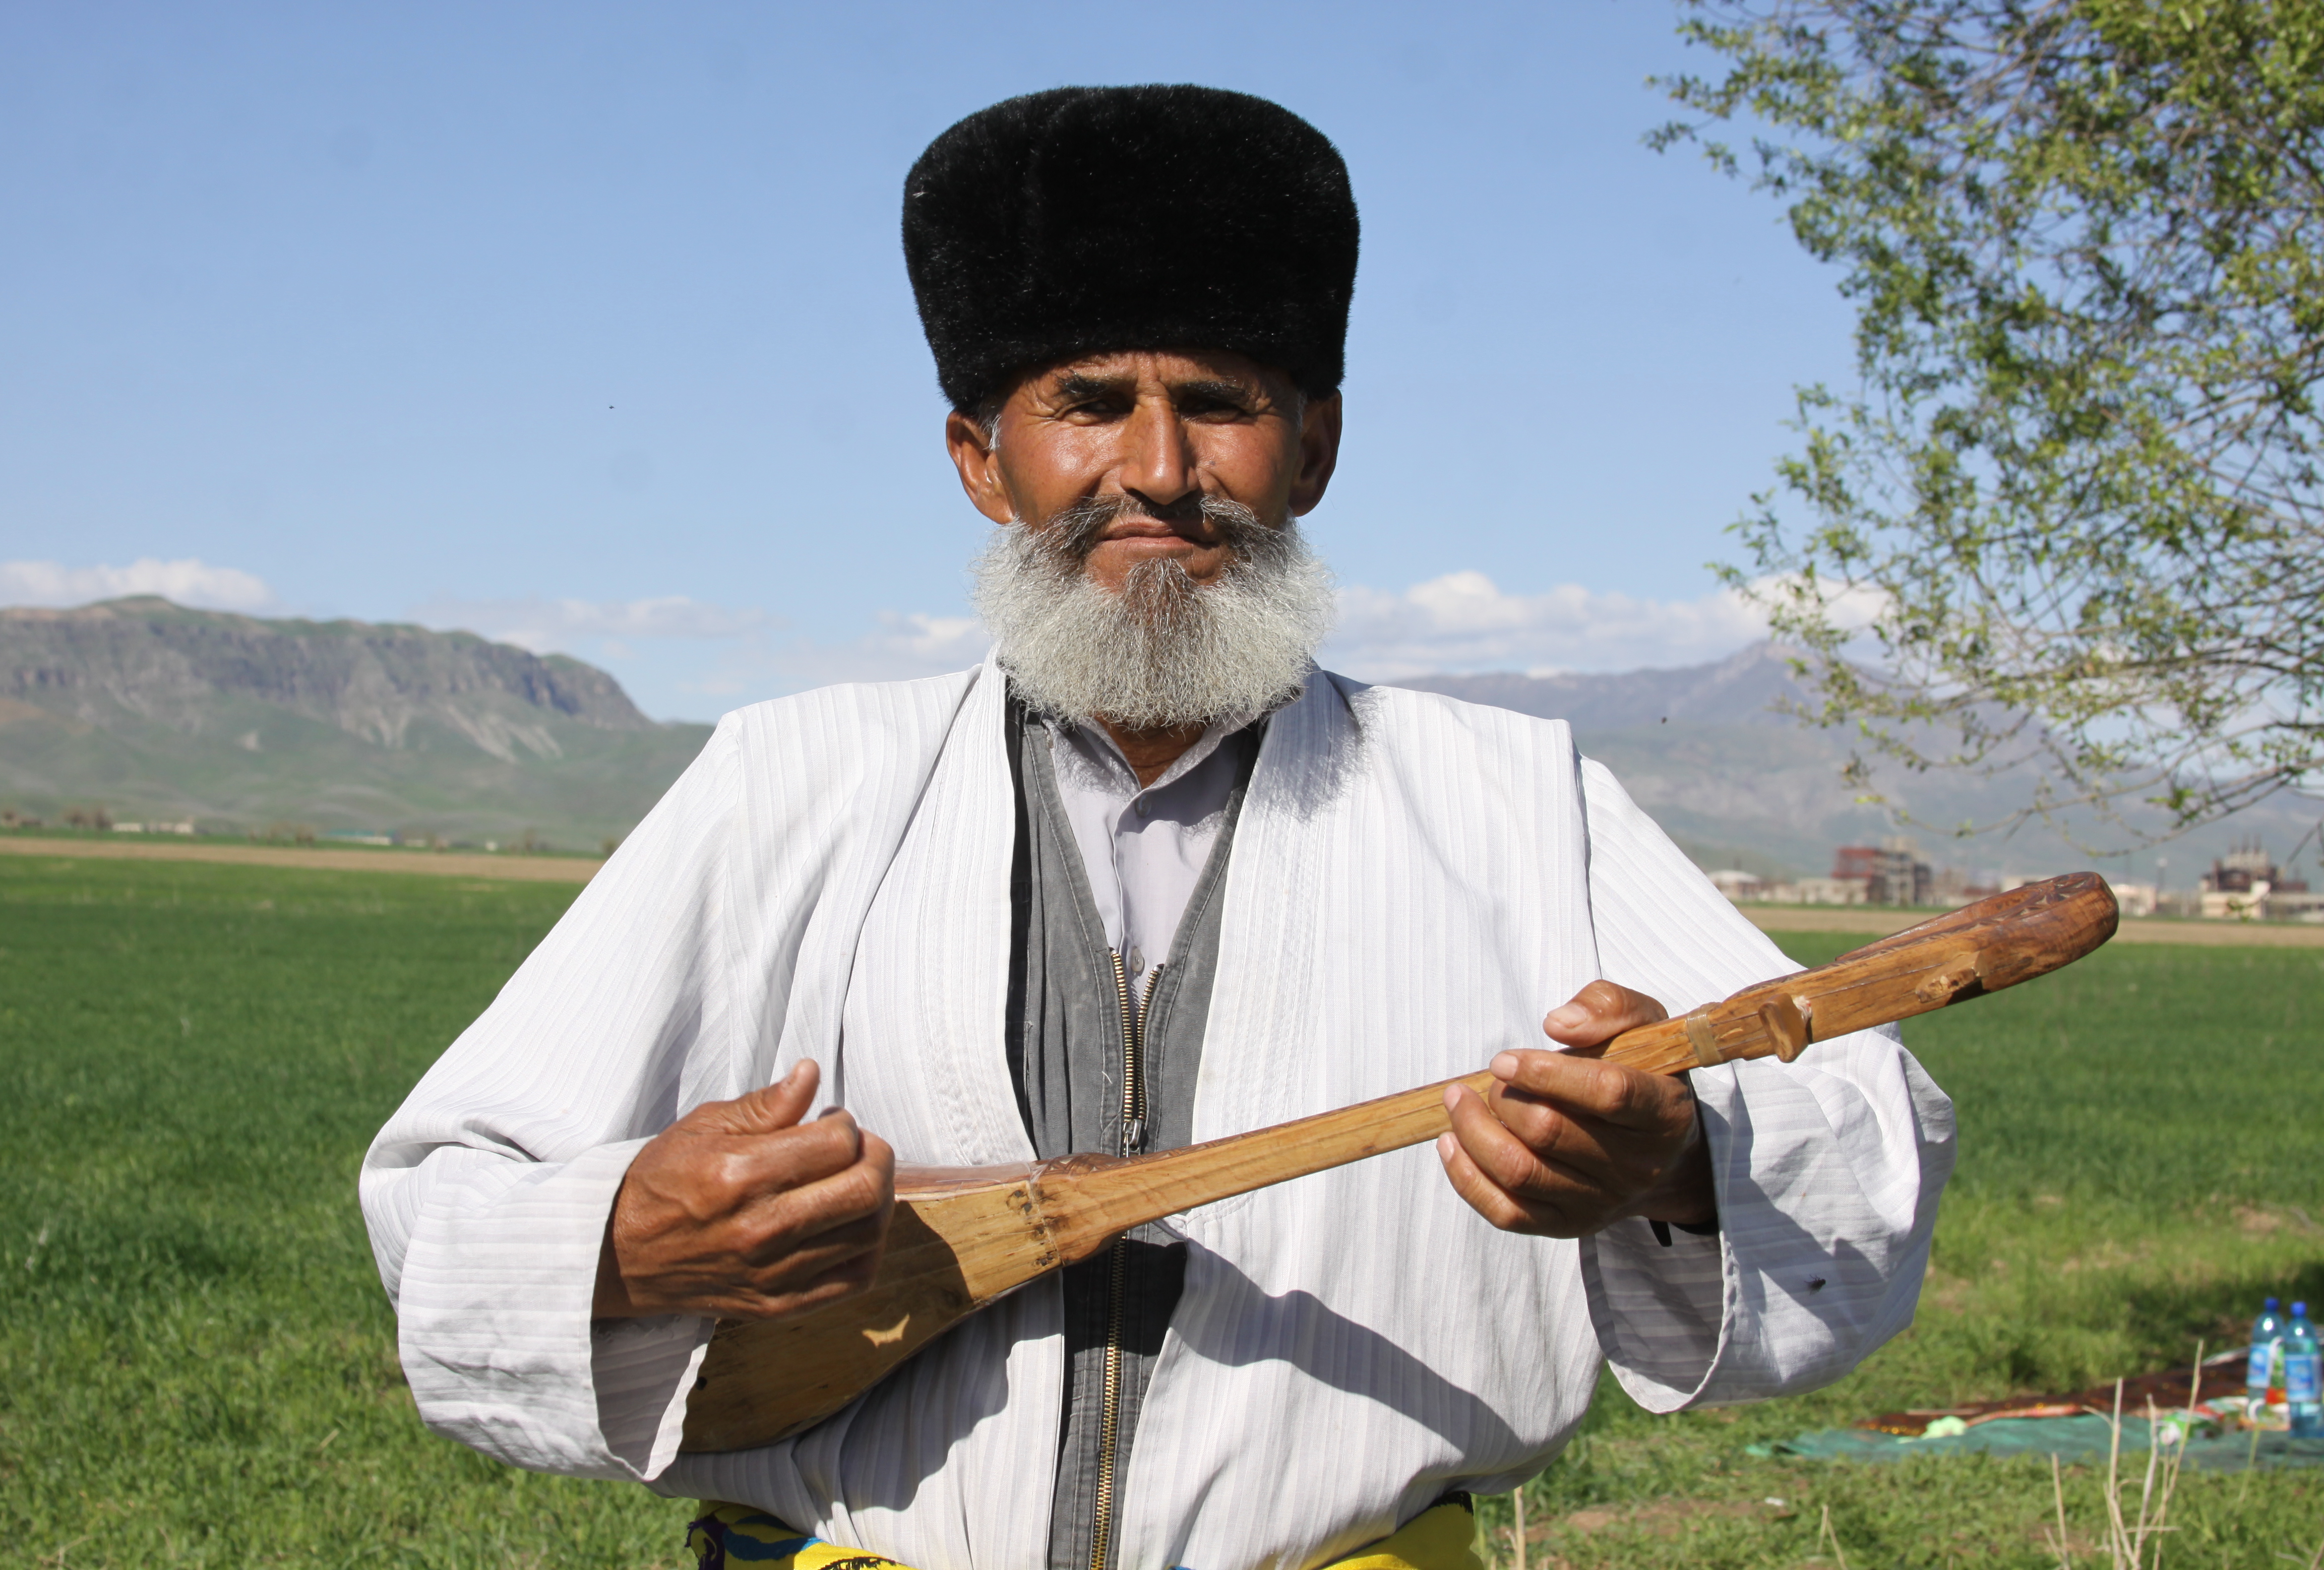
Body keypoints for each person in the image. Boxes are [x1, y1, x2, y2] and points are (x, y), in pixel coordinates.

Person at [360, 84, 1955, 1570]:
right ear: (982, 462)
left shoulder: (1512, 800)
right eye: (1087, 404)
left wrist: (1673, 1165)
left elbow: (1863, 1132)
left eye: (1218, 404)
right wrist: (632, 1237)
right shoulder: (792, 780)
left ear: (1315, 449)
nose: (1159, 471)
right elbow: (447, 1199)